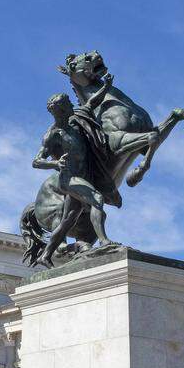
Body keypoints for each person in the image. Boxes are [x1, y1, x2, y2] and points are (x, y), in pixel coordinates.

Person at [31, 73, 117, 267]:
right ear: (60, 111)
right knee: (97, 198)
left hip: (83, 176)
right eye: (68, 105)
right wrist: (54, 164)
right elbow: (36, 161)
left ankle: (45, 255)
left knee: (68, 220)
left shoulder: (74, 122)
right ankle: (104, 241)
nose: (72, 106)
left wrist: (106, 87)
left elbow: (91, 103)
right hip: (69, 179)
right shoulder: (52, 135)